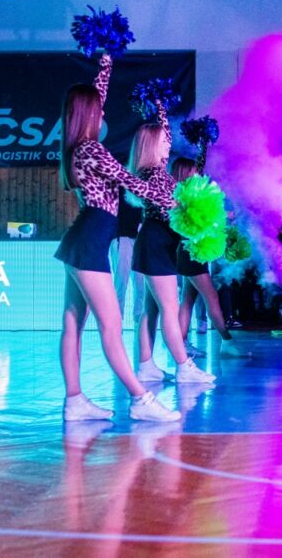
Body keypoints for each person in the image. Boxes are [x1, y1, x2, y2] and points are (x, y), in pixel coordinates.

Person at [54, 52, 180, 422]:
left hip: (82, 240)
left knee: (73, 324)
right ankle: (141, 399)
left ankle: (74, 400)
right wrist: (175, 203)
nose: (104, 112)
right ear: (88, 114)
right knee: (110, 327)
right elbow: (131, 182)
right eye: (99, 110)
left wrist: (106, 63)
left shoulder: (77, 147)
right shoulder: (91, 149)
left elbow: (99, 95)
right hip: (90, 242)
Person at [128, 109, 216, 385]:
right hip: (156, 244)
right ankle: (183, 366)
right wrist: (193, 219)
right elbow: (172, 212)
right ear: (152, 145)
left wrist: (161, 106)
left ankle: (145, 365)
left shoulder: (154, 171)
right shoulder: (153, 175)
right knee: (168, 308)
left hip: (157, 243)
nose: (169, 143)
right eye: (164, 141)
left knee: (152, 309)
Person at [168, 156, 249, 358]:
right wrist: (224, 218)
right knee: (211, 297)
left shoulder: (183, 194)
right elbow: (199, 223)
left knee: (188, 299)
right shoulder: (186, 196)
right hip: (191, 253)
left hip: (192, 252)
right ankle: (227, 341)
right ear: (185, 172)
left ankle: (182, 344)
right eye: (194, 171)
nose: (198, 174)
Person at [110, 192, 144, 327]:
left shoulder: (143, 186)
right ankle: (117, 322)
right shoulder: (118, 185)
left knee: (141, 283)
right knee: (121, 282)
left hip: (140, 238)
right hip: (121, 236)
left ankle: (138, 321)